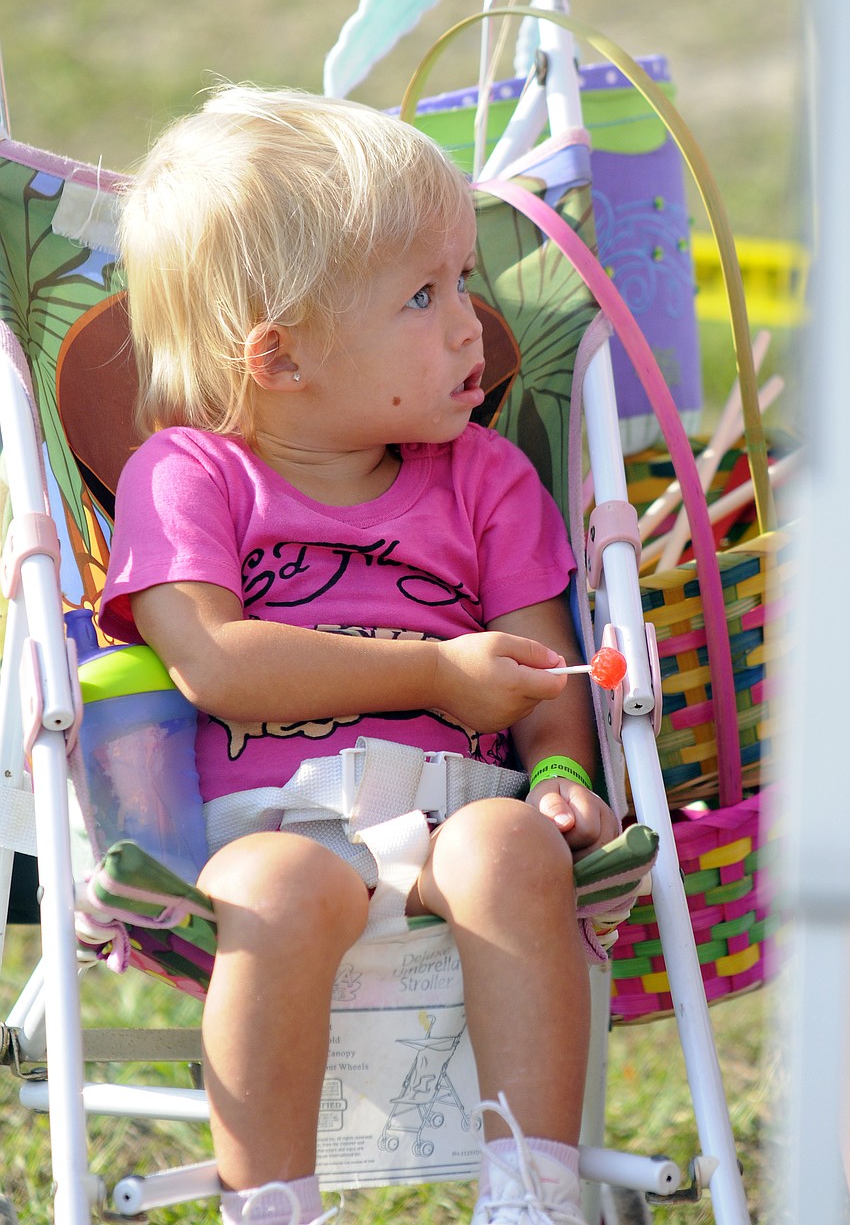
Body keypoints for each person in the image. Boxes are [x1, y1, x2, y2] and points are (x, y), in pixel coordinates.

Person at [100, 84, 622, 1225]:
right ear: (280, 358)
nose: (467, 326)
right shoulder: (187, 475)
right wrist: (434, 673)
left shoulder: (487, 476)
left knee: (511, 855)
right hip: (267, 823)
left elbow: (544, 676)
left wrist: (560, 777)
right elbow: (218, 663)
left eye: (464, 281)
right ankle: (275, 1205)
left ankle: (532, 1192)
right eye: (422, 296)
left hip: (457, 806)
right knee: (275, 893)